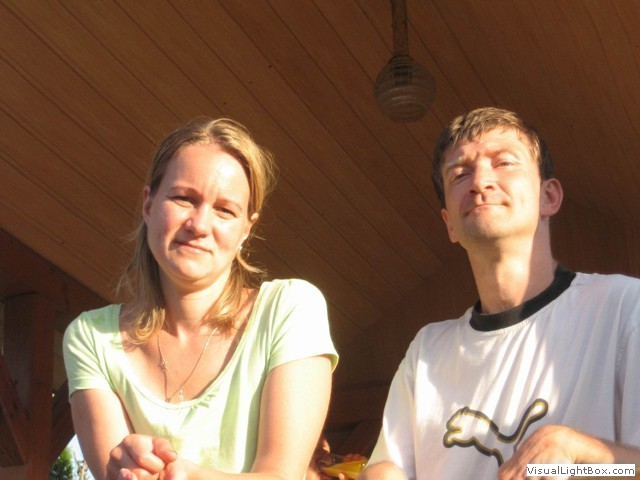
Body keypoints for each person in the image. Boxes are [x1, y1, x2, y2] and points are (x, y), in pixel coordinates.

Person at [360, 107, 640, 479]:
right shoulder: (426, 351)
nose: (480, 182)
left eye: (504, 162)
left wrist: (581, 455)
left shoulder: (623, 308)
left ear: (549, 197)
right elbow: (388, 464)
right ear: (449, 224)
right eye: (460, 174)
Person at [63, 117, 338, 480]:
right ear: (148, 204)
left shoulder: (290, 309)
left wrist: (187, 475)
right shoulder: (91, 337)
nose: (199, 225)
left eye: (225, 210)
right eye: (183, 198)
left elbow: (281, 476)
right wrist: (125, 470)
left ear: (246, 230)